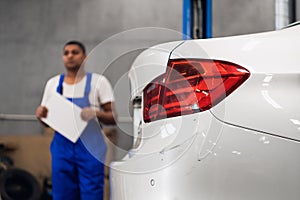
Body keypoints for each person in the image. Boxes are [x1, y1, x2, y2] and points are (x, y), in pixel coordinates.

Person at [36, 40, 116, 200]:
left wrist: (95, 113)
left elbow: (113, 117)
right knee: (62, 193)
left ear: (84, 57)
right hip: (62, 148)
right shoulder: (53, 84)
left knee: (91, 193)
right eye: (66, 53)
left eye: (75, 52)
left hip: (90, 147)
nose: (70, 56)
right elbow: (46, 121)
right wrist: (41, 115)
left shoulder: (98, 82)